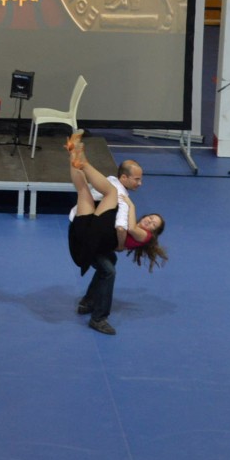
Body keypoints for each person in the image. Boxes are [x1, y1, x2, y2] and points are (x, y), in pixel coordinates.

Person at [65, 132, 166, 335]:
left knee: (87, 191)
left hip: (83, 235)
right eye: (150, 217)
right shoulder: (122, 200)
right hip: (85, 233)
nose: (149, 221)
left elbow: (126, 228)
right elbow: (122, 228)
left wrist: (129, 208)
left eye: (153, 224)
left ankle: (88, 302)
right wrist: (120, 244)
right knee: (109, 268)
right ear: (124, 177)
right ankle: (98, 317)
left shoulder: (144, 235)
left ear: (154, 233)